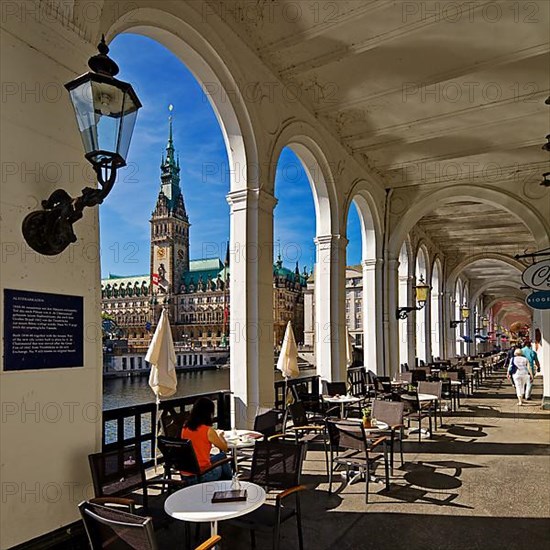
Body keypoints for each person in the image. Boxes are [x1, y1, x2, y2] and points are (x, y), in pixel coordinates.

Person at [181, 397, 233, 481]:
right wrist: (220, 436)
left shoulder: (185, 427)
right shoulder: (208, 431)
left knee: (221, 456)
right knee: (224, 461)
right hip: (202, 474)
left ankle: (228, 482)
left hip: (187, 473)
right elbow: (225, 448)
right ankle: (230, 482)